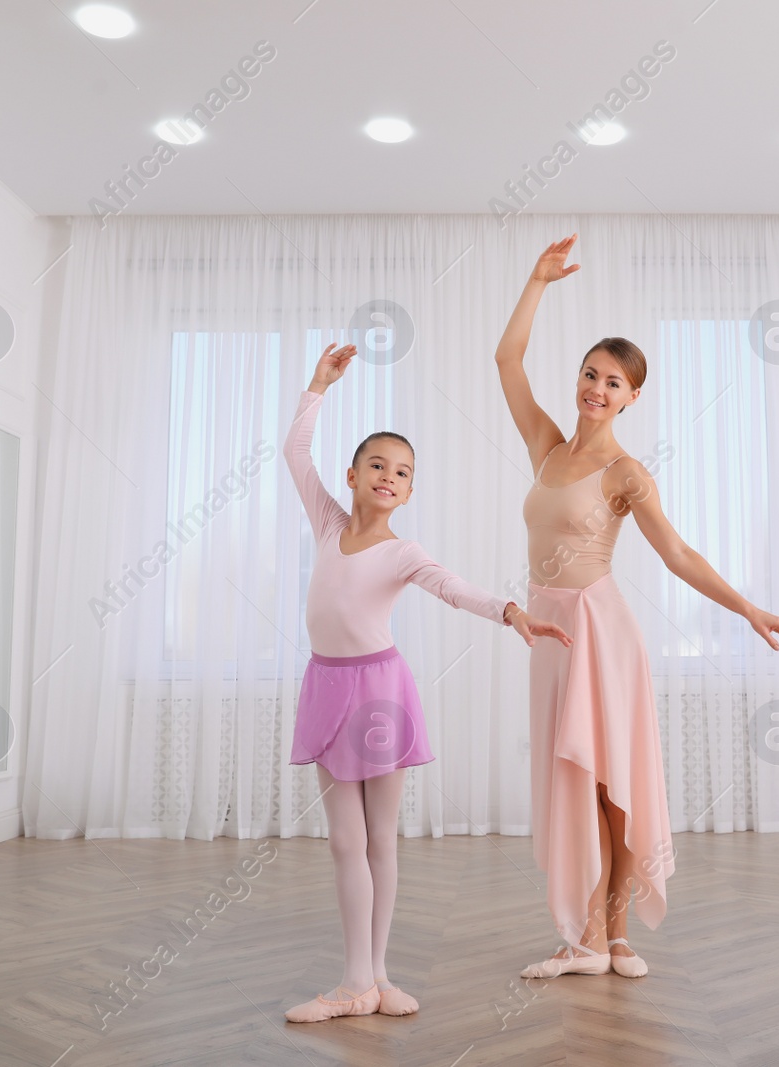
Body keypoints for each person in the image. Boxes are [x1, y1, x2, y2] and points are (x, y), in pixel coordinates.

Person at [495, 235, 779, 979]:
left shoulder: (626, 472)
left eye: (614, 383)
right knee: (569, 778)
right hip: (550, 632)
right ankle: (578, 939)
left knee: (610, 782)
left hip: (602, 631)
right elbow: (508, 362)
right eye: (590, 375)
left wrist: (747, 608)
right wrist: (537, 282)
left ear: (634, 397)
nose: (597, 389)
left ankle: (615, 936)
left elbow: (676, 552)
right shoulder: (545, 447)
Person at [283, 343, 571, 1022]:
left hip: (380, 694)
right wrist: (317, 387)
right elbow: (297, 455)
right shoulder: (327, 521)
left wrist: (505, 610)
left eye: (402, 470)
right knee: (343, 840)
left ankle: (372, 976)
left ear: (410, 491)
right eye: (377, 464)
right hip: (327, 687)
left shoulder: (404, 551)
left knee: (379, 838)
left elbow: (450, 586)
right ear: (352, 476)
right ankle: (361, 979)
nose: (389, 475)